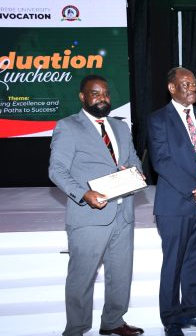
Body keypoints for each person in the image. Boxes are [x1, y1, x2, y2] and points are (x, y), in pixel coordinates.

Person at [49, 75, 144, 336]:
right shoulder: (68, 127)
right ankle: (76, 328)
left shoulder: (121, 127)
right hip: (89, 215)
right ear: (82, 97)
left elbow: (134, 159)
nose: (102, 98)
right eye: (95, 93)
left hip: (123, 214)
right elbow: (57, 170)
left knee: (121, 274)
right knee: (82, 277)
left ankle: (113, 321)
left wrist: (136, 173)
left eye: (106, 94)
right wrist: (83, 194)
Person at [148, 67, 196, 336]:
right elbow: (162, 162)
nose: (192, 88)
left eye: (194, 84)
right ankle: (171, 319)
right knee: (174, 262)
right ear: (172, 88)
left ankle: (191, 311)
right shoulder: (159, 120)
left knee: (195, 260)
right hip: (175, 204)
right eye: (186, 84)